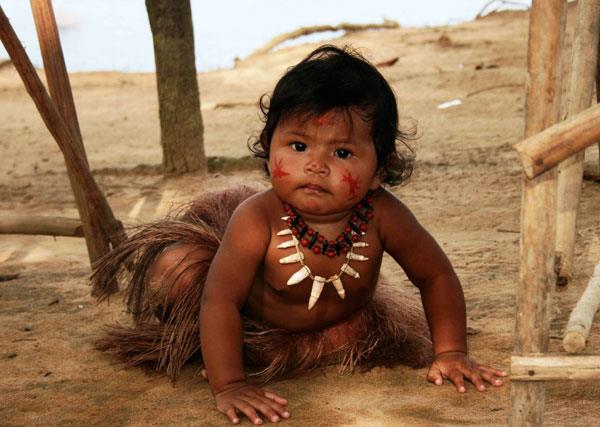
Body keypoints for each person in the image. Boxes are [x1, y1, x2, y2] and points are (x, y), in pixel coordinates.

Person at [92, 45, 507, 425]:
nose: (316, 165)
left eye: (342, 153)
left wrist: (451, 353)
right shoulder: (257, 219)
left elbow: (435, 276)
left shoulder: (384, 215)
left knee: (340, 338)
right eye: (298, 146)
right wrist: (230, 384)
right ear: (267, 146)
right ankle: (212, 354)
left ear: (381, 169)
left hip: (340, 325)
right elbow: (220, 299)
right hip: (250, 322)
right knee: (180, 270)